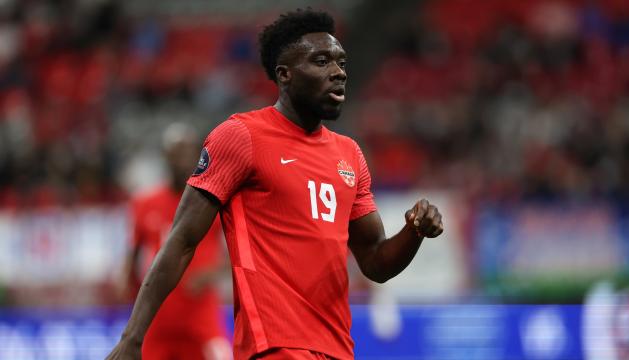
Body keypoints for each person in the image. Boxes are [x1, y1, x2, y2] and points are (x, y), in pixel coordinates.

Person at [107, 9, 444, 360]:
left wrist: (413, 231)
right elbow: (181, 241)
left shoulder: (350, 155)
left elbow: (375, 261)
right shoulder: (241, 137)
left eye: (341, 62)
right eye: (322, 61)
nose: (339, 72)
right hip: (274, 346)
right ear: (285, 75)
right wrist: (133, 338)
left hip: (336, 349)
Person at [121, 123, 231, 360]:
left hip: (200, 315)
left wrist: (208, 275)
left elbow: (237, 253)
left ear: (197, 157)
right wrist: (129, 289)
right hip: (158, 316)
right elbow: (132, 255)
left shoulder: (212, 200)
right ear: (165, 156)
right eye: (176, 153)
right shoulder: (144, 203)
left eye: (187, 153)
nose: (181, 160)